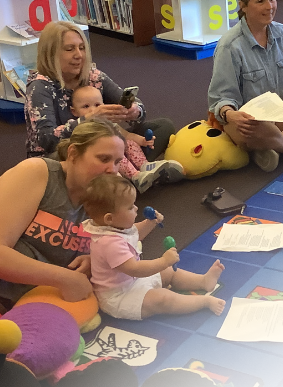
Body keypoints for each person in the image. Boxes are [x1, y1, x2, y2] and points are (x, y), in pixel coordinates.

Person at [25, 21, 180, 182]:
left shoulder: (93, 76)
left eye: (82, 48)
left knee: (163, 127)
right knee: (79, 155)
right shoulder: (40, 86)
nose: (79, 55)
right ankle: (128, 179)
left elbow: (135, 105)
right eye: (70, 49)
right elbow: (47, 140)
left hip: (103, 143)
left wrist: (134, 111)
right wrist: (87, 119)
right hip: (61, 154)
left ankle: (130, 176)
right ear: (51, 53)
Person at [0, 118, 125, 314]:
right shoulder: (37, 172)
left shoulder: (109, 189)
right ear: (73, 153)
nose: (112, 170)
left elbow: (127, 241)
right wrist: (62, 278)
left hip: (56, 305)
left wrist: (97, 258)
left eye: (118, 162)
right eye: (103, 159)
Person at [82, 174, 226, 320]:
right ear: (109, 218)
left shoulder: (112, 227)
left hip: (132, 281)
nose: (136, 208)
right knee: (162, 299)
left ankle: (203, 281)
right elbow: (135, 269)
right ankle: (203, 302)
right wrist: (163, 261)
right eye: (130, 207)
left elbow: (135, 233)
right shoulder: (108, 243)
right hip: (118, 296)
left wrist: (151, 222)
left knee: (168, 272)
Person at [208, 0, 283, 172]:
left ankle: (275, 148)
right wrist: (231, 115)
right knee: (254, 128)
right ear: (243, 6)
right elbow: (220, 99)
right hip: (249, 121)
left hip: (281, 113)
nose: (269, 6)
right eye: (260, 1)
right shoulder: (230, 46)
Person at [71, 86, 184, 193]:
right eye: (86, 107)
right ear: (74, 111)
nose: (93, 110)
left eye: (97, 105)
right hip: (109, 165)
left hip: (122, 154)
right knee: (114, 154)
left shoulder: (108, 122)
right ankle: (136, 176)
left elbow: (126, 135)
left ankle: (145, 166)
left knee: (130, 143)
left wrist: (142, 141)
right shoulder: (80, 129)